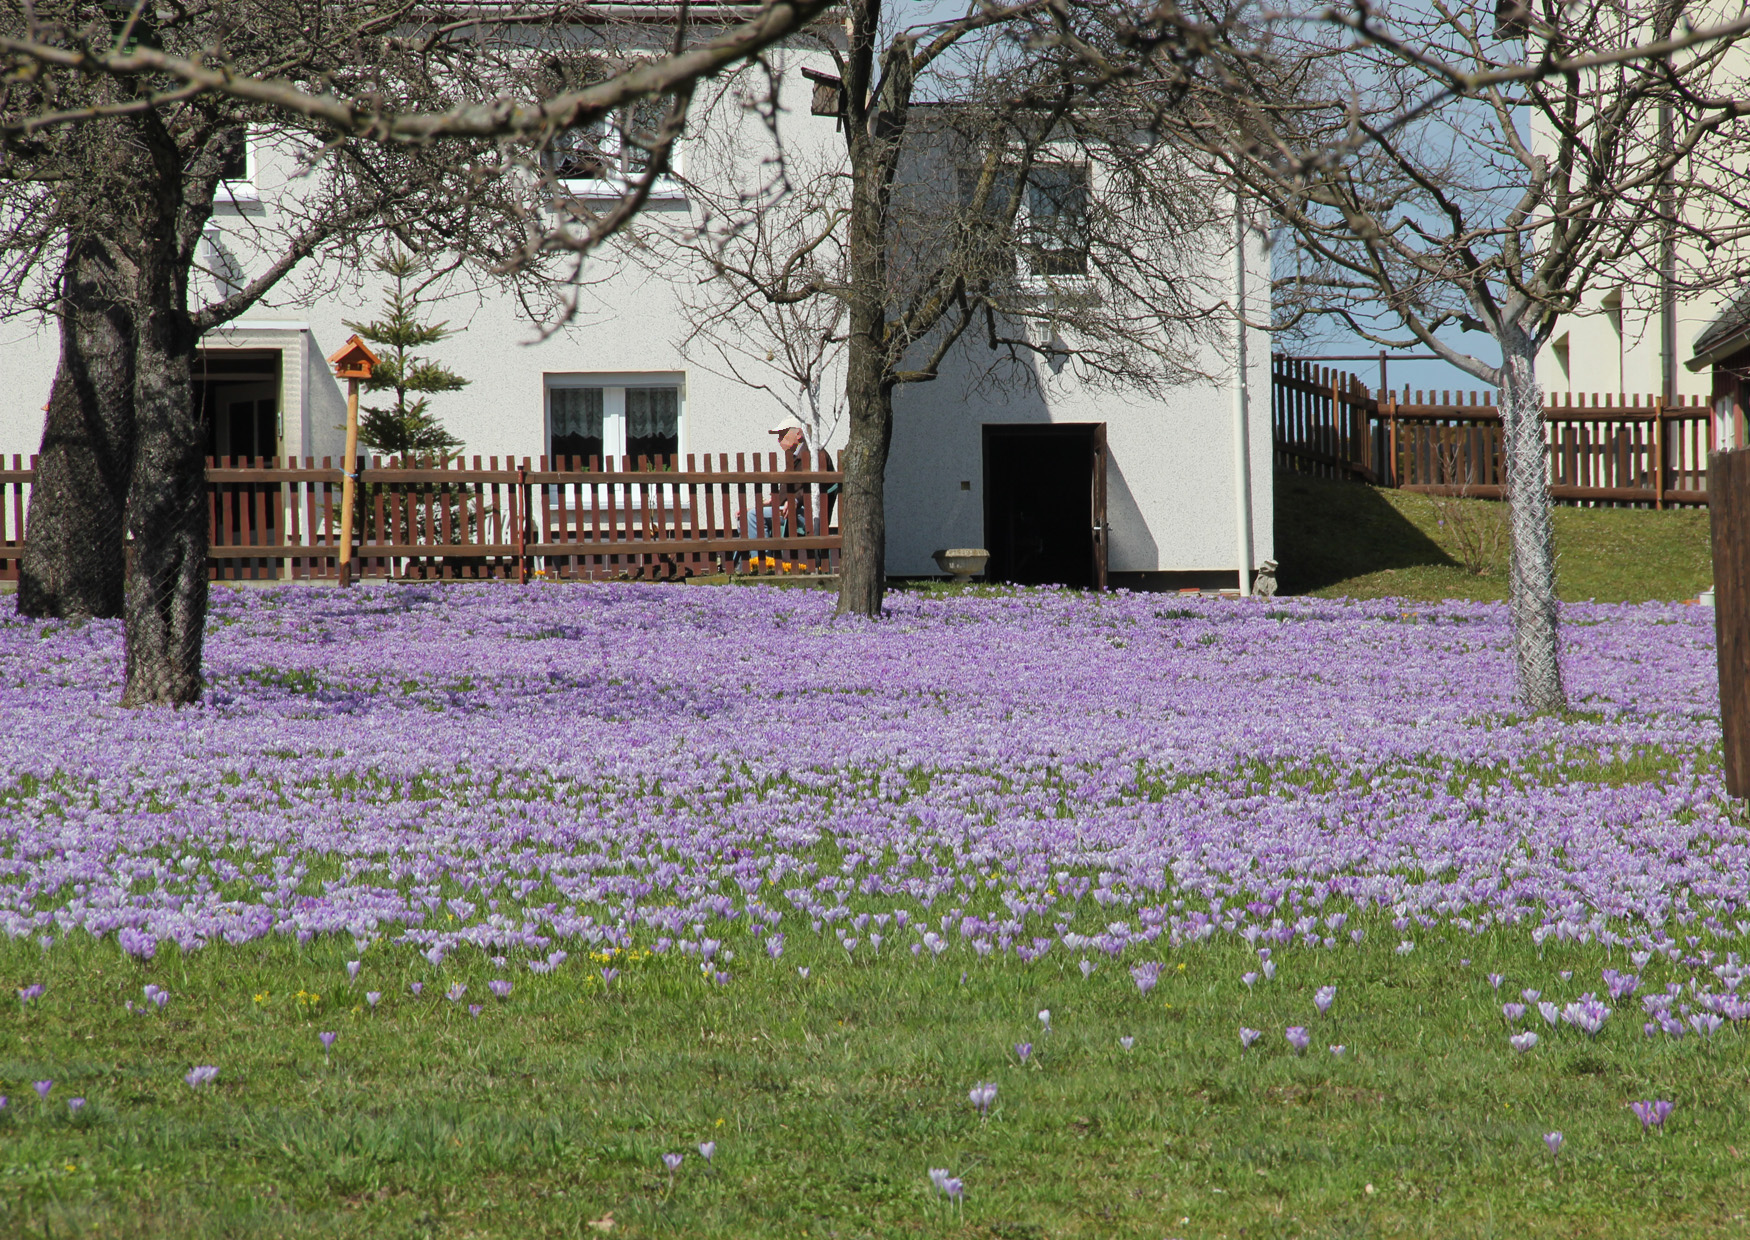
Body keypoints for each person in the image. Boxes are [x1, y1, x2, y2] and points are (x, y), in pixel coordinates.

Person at [738, 416, 827, 570]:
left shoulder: (814, 455)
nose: (779, 440)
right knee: (746, 516)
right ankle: (755, 562)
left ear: (798, 434)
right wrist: (770, 502)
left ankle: (762, 564)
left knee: (753, 517)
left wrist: (796, 500)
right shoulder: (796, 456)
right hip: (793, 509)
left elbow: (815, 486)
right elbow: (789, 491)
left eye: (783, 435)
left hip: (807, 513)